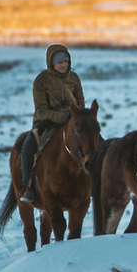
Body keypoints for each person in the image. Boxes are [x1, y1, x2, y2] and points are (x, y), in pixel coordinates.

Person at [20, 44, 85, 204]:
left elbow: (80, 102)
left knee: (94, 141)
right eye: (60, 62)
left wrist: (77, 116)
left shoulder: (74, 78)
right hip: (46, 122)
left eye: (66, 61)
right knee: (28, 147)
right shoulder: (41, 80)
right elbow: (41, 110)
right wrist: (61, 116)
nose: (64, 65)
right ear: (51, 63)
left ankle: (96, 181)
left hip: (71, 120)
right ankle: (28, 187)